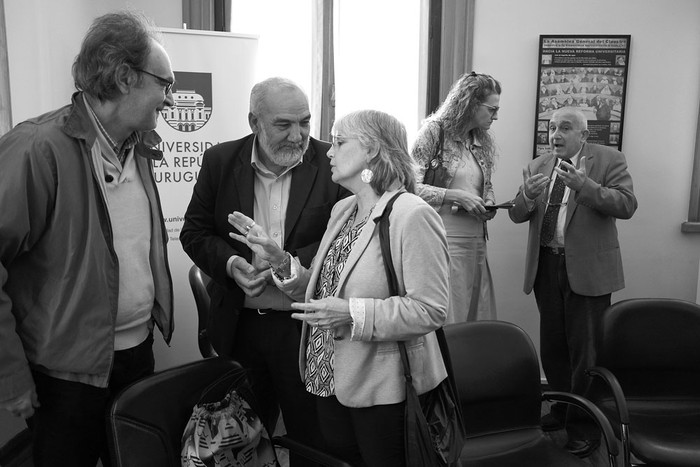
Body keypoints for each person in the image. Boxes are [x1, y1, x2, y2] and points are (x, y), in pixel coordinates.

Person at [0, 11, 175, 467]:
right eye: (164, 84)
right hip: (65, 376)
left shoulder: (140, 146)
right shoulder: (37, 148)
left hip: (137, 355)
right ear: (123, 78)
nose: (170, 99)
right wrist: (11, 377)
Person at [228, 109, 450, 466]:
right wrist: (278, 259)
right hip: (327, 377)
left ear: (372, 151)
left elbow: (431, 309)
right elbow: (318, 293)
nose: (328, 152)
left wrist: (351, 313)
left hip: (381, 387)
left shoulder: (413, 215)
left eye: (340, 142)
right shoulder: (344, 209)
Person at [179, 77, 348, 465]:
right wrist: (231, 263)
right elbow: (195, 231)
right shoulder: (221, 161)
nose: (298, 135)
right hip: (242, 328)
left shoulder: (330, 164)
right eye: (284, 124)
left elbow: (340, 240)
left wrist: (282, 263)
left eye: (305, 122)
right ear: (254, 121)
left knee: (313, 438)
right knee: (241, 439)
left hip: (304, 327)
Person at [509, 107, 637, 458]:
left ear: (584, 135)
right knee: (553, 347)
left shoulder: (609, 160)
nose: (556, 135)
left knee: (586, 352)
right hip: (546, 267)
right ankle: (563, 411)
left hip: (588, 271)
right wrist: (526, 196)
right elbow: (518, 213)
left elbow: (627, 205)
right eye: (551, 128)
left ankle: (585, 424)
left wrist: (586, 187)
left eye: (565, 128)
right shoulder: (538, 166)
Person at [411, 71, 502, 323]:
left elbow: (486, 185)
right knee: (452, 314)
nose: (495, 116)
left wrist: (490, 203)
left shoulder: (480, 140)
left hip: (476, 241)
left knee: (477, 311)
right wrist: (455, 196)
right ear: (470, 103)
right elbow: (409, 187)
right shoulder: (434, 132)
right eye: (491, 109)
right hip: (444, 239)